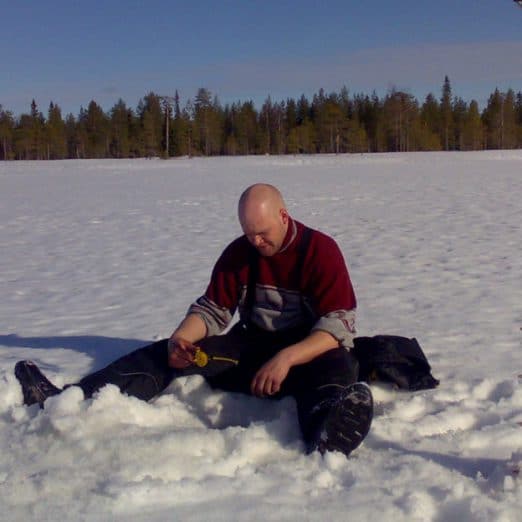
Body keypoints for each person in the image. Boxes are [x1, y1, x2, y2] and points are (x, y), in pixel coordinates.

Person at [15, 183, 373, 457]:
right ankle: (70, 399)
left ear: (284, 216)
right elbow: (213, 310)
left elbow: (337, 327)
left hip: (308, 353)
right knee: (164, 355)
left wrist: (287, 358)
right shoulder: (240, 252)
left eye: (263, 233)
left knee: (338, 363)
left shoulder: (320, 251)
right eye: (249, 233)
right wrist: (181, 338)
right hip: (254, 348)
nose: (256, 241)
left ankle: (327, 430)